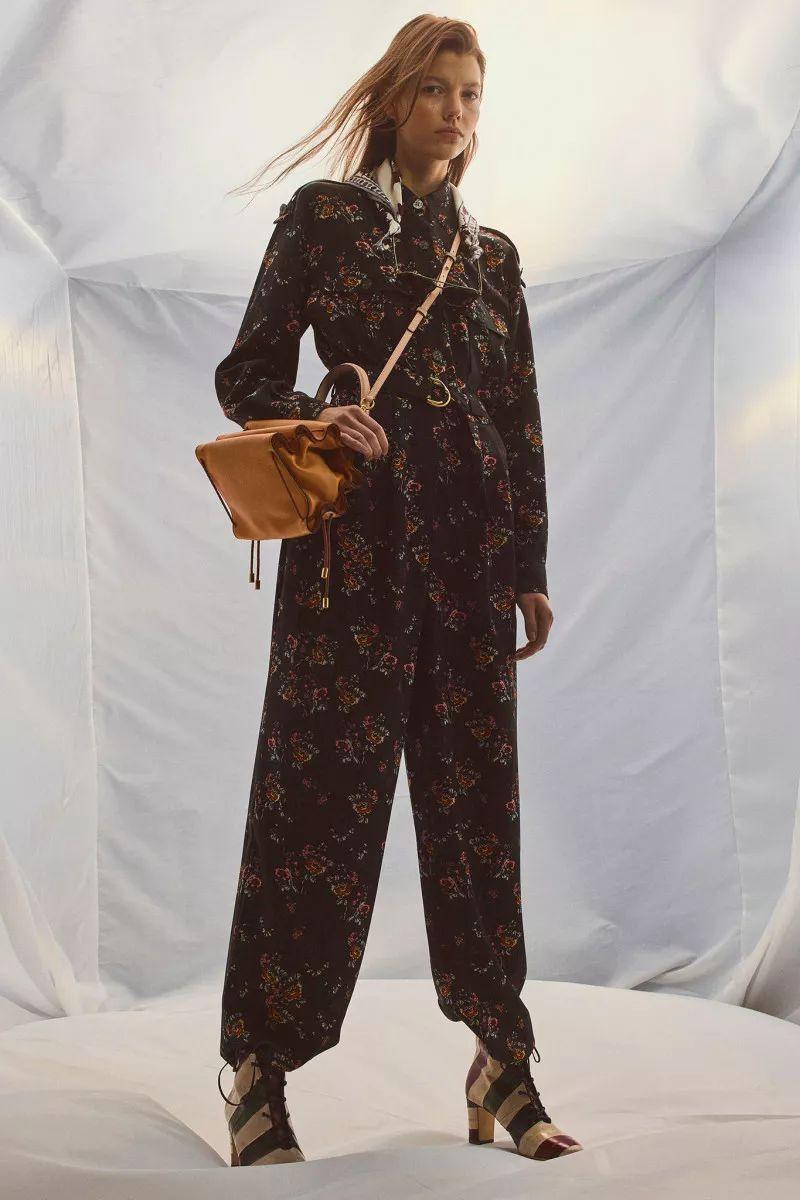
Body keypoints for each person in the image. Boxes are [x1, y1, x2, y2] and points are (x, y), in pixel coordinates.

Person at [214, 15, 582, 1167]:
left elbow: (517, 418)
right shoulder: (323, 219)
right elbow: (244, 376)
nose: (455, 112)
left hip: (469, 567)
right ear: (391, 100)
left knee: (478, 818)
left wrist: (526, 567)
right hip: (349, 569)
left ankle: (500, 1059)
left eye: (469, 93)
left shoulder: (490, 256)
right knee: (315, 806)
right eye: (434, 89)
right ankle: (257, 1069)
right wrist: (320, 416)